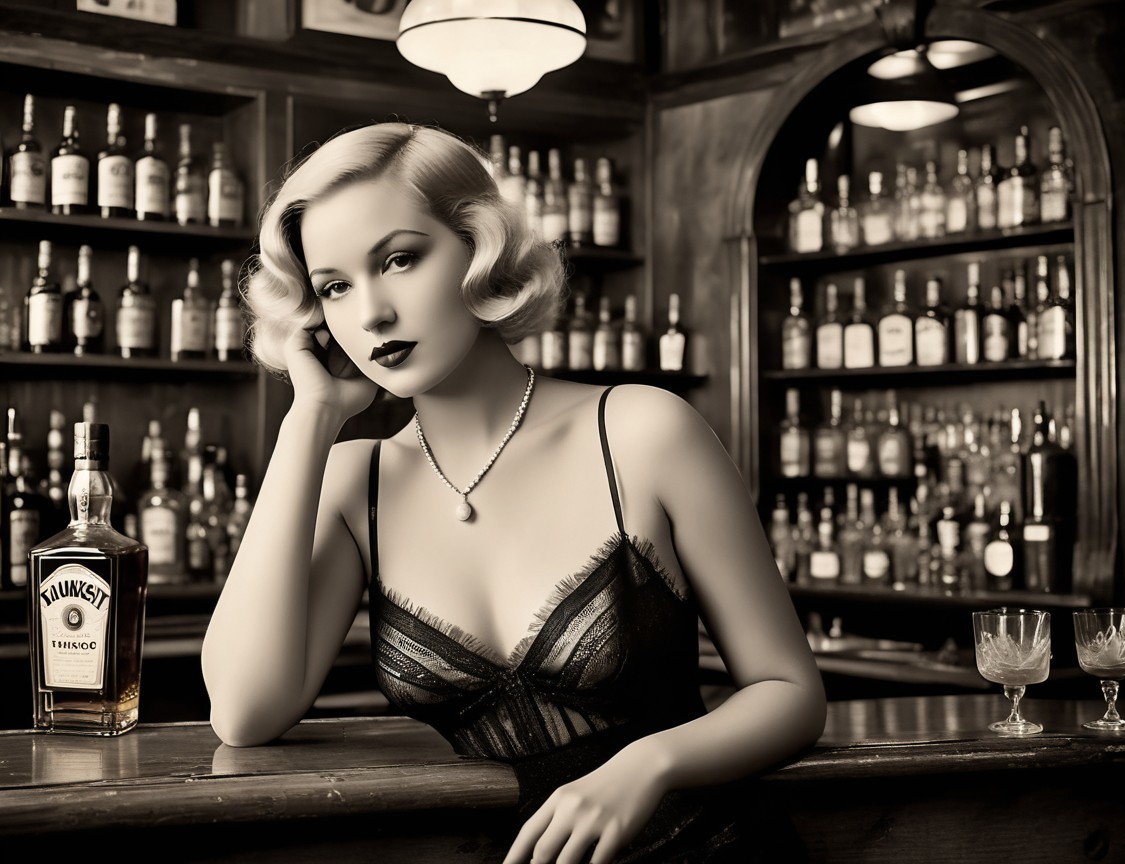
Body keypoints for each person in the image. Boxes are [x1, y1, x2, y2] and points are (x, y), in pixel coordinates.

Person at [200, 122, 827, 863]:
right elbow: (243, 712)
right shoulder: (355, 480)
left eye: (400, 259)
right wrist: (311, 418)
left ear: (479, 248)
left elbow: (790, 692)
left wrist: (647, 766)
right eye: (335, 286)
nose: (370, 313)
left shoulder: (641, 431)